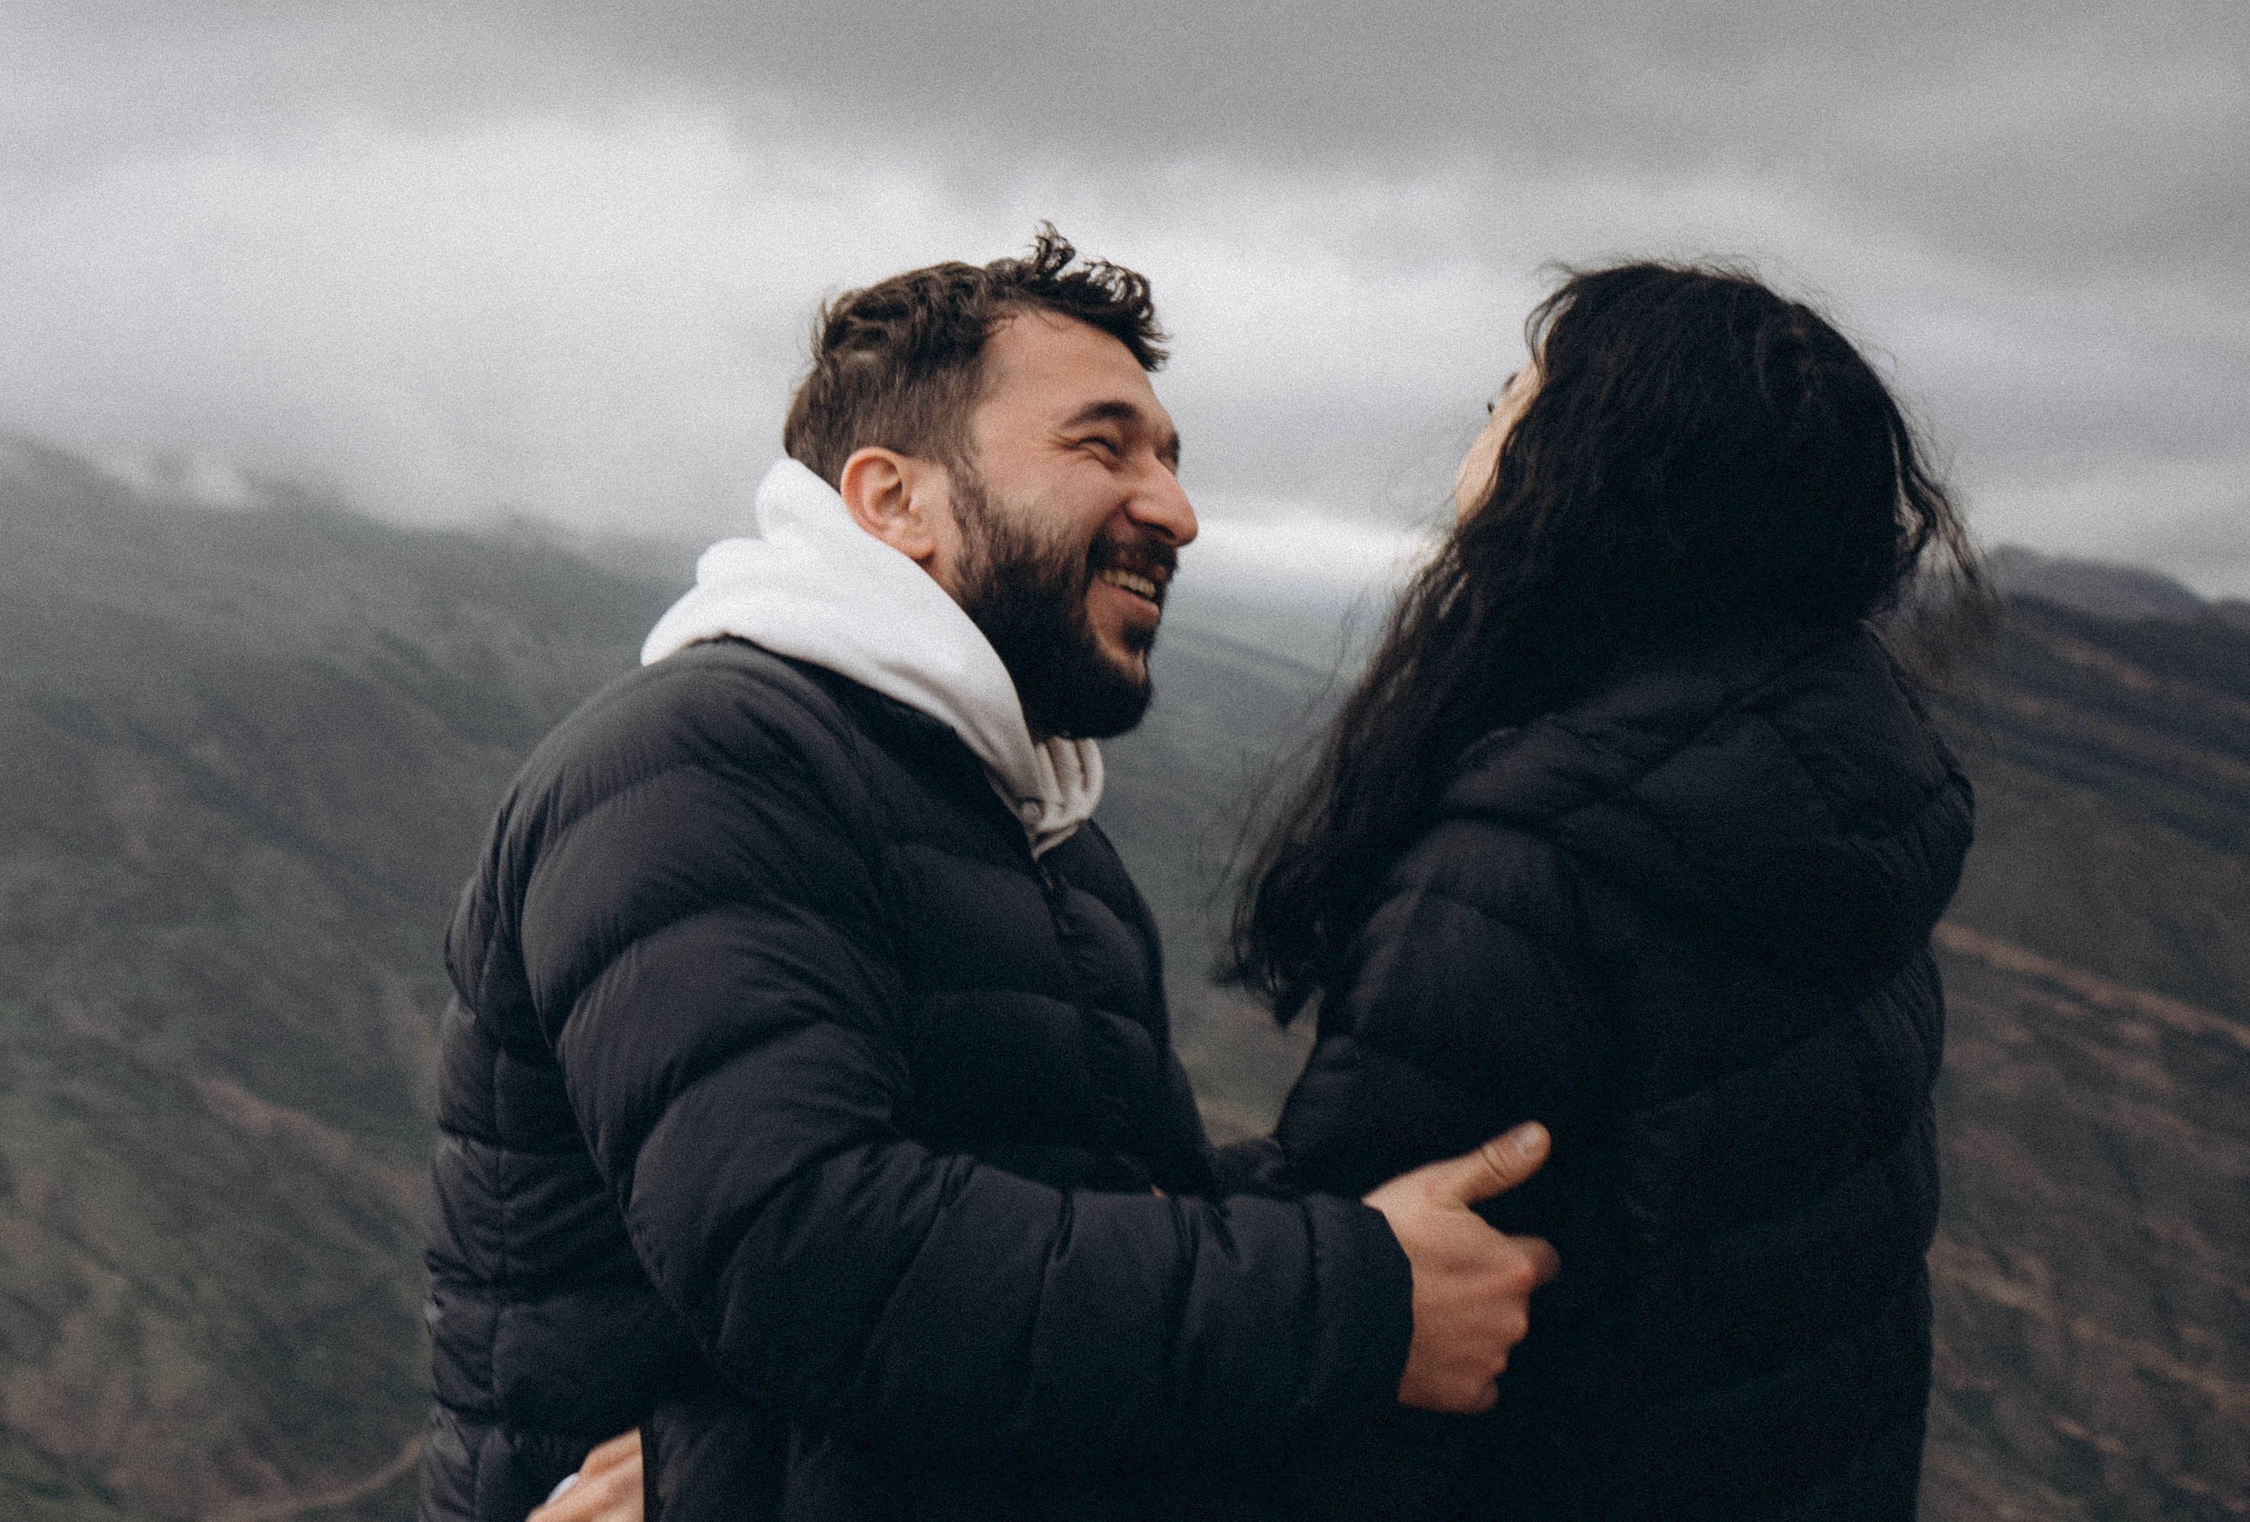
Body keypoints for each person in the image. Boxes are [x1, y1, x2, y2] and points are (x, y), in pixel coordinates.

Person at [417, 229, 1560, 1522]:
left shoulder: (1020, 814)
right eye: (1101, 443)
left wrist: (1366, 1194)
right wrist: (1352, 1292)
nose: (1176, 508)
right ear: (891, 498)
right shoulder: (699, 763)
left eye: (1172, 457)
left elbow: (1077, 1205)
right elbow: (814, 1254)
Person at [1222, 261, 1979, 1519]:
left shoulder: (1526, 872)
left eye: (1510, 400)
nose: (1481, 430)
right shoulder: (1838, 809)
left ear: (1589, 464)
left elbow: (1361, 1330)